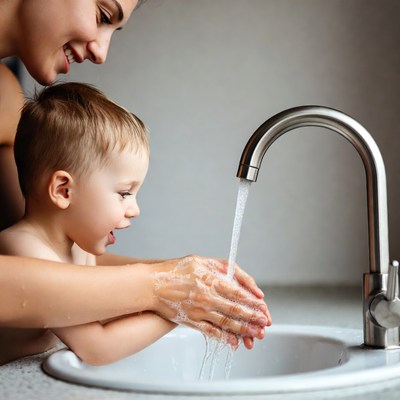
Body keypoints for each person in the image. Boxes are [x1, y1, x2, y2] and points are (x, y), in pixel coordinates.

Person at [0, 0, 271, 353]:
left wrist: (190, 278)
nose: (101, 52)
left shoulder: (7, 96)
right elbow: (95, 344)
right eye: (102, 14)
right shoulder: (22, 241)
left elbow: (65, 269)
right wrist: (174, 298)